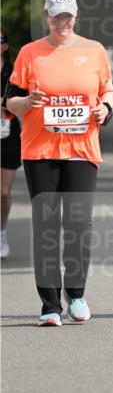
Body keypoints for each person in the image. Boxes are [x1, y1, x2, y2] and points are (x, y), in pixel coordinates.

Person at [5, 0, 113, 326]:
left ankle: (77, 294)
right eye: (56, 15)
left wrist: (106, 108)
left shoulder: (94, 51)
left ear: (76, 16)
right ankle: (50, 305)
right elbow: (9, 100)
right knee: (47, 227)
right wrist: (26, 104)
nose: (62, 20)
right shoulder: (30, 53)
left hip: (82, 152)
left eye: (67, 15)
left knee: (79, 225)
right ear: (46, 17)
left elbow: (108, 90)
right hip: (41, 151)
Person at [1, 30, 21, 258]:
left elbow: (21, 101)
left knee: (3, 192)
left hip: (8, 134)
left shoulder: (14, 71)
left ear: (5, 46)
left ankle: (2, 231)